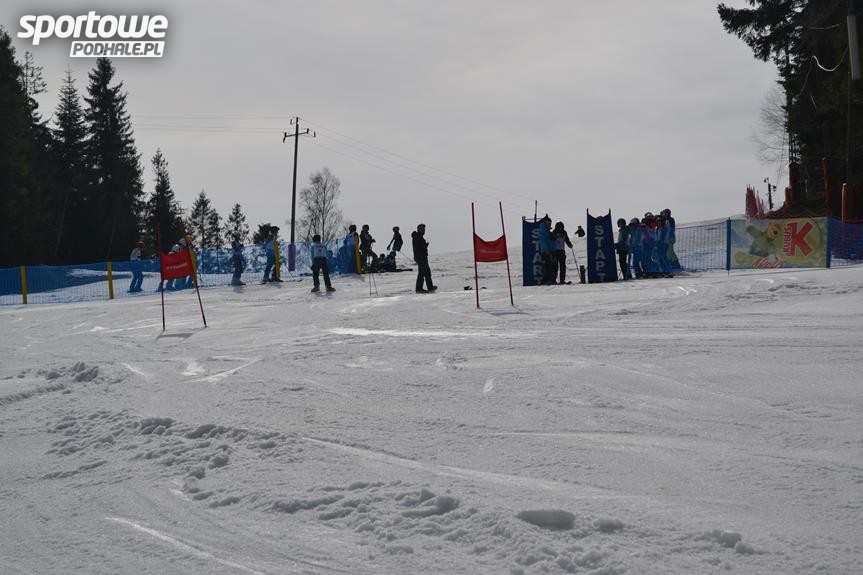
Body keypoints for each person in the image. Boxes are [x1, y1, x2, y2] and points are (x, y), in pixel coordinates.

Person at [412, 223, 437, 293]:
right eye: (422, 229)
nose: (424, 230)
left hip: (422, 257)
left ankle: (430, 287)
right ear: (419, 229)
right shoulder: (417, 237)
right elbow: (418, 248)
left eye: (424, 229)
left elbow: (420, 247)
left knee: (427, 272)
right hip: (420, 258)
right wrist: (425, 246)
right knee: (422, 273)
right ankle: (419, 289)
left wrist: (425, 245)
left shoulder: (419, 237)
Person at [538, 215, 556, 285]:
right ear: (545, 223)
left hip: (550, 251)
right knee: (548, 266)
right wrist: (546, 250)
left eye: (550, 223)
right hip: (547, 251)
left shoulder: (547, 231)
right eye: (548, 223)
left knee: (551, 266)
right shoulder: (543, 231)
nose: (550, 224)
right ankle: (545, 280)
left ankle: (549, 280)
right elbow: (544, 241)